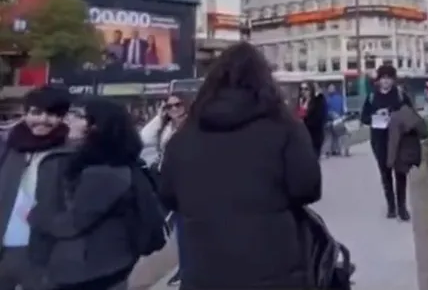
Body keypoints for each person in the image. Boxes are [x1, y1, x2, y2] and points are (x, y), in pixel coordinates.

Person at [158, 42, 321, 288]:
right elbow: (307, 188)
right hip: (274, 270)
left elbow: (168, 195)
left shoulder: (184, 137)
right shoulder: (285, 127)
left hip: (205, 271)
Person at [29, 96, 145, 290]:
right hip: (80, 265)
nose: (69, 119)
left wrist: (35, 216)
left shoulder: (106, 170)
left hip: (93, 271)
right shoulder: (80, 159)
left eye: (79, 116)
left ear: (95, 126)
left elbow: (74, 223)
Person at [0, 86, 73, 290]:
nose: (42, 120)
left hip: (42, 254)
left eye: (51, 114)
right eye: (36, 112)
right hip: (4, 250)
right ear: (25, 114)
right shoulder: (9, 148)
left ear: (62, 118)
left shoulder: (70, 155)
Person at [139, 93, 190, 287]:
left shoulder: (193, 126)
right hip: (166, 181)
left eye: (178, 105)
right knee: (177, 228)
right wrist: (159, 117)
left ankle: (186, 269)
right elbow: (143, 138)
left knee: (184, 228)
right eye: (169, 107)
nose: (174, 109)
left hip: (187, 183)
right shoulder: (166, 128)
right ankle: (184, 267)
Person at [360, 64, 415, 221]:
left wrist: (394, 116)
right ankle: (391, 207)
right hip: (379, 140)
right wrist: (375, 116)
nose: (386, 82)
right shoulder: (372, 97)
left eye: (388, 78)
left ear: (393, 80)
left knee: (400, 173)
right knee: (385, 174)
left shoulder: (400, 95)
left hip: (398, 139)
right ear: (378, 80)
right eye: (383, 78)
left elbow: (410, 114)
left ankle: (402, 207)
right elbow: (363, 117)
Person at [302, 83, 327, 158]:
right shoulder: (300, 101)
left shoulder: (318, 101)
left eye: (306, 89)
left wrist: (305, 120)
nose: (303, 91)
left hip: (314, 134)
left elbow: (319, 117)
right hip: (301, 135)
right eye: (301, 89)